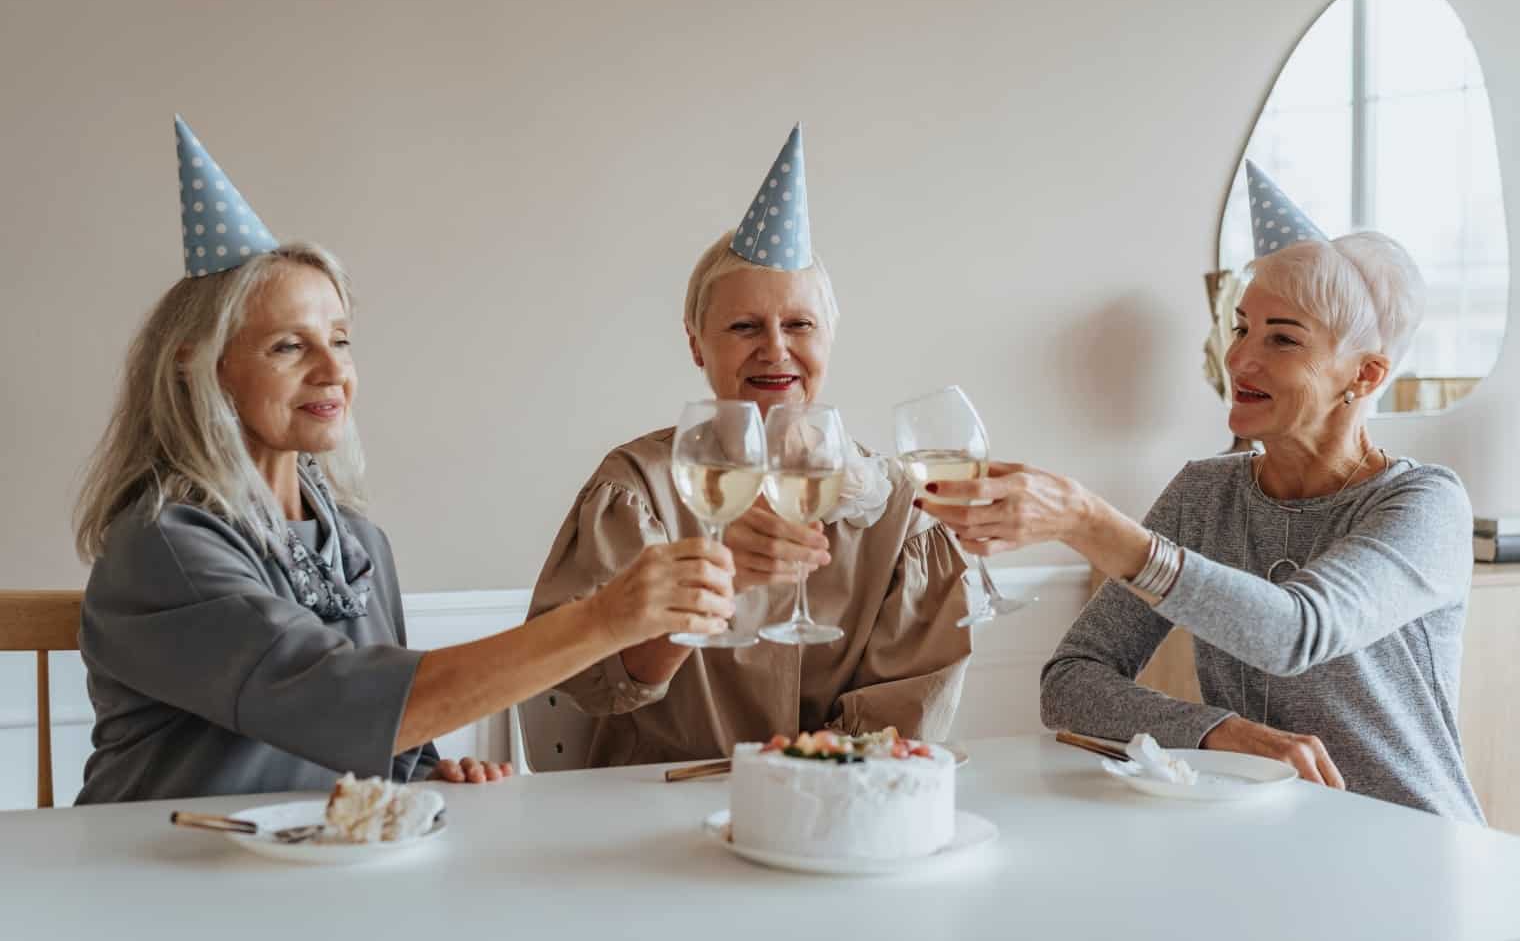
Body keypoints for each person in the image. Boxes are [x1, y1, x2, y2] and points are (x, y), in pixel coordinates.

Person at [73, 118, 735, 803]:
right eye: (288, 347)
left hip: (309, 876)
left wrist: (431, 772)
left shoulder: (358, 542)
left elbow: (393, 748)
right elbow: (343, 705)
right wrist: (602, 619)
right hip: (164, 874)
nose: (334, 370)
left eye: (340, 339)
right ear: (198, 369)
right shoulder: (165, 547)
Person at [916, 162, 1482, 821]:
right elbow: (1070, 682)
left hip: (1410, 846)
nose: (1240, 358)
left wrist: (1088, 521)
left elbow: (1295, 631)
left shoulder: (1424, 505)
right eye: (1242, 327)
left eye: (1283, 339)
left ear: (1365, 374)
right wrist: (1216, 732)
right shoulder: (1204, 493)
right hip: (1264, 845)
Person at [525, 125, 972, 766]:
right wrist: (709, 578)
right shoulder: (635, 490)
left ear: (828, 338)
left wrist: (791, 793)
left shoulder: (899, 510)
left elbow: (900, 725)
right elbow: (585, 682)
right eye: (744, 326)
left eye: (799, 324)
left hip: (832, 810)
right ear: (695, 344)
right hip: (652, 810)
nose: (776, 348)